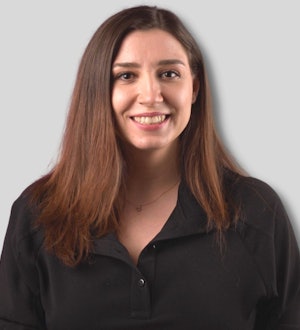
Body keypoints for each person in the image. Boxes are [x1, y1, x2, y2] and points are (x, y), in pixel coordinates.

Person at [0, 5, 299, 329]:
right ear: (98, 89)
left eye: (168, 74)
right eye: (126, 76)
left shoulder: (257, 212)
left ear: (194, 88)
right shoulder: (38, 214)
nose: (151, 95)